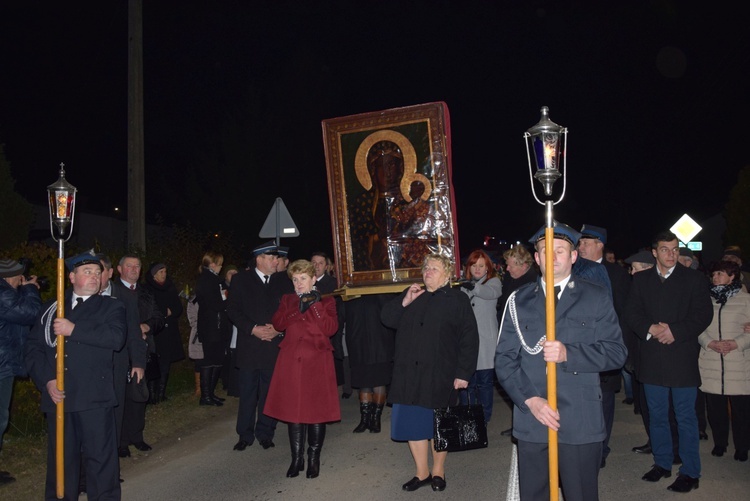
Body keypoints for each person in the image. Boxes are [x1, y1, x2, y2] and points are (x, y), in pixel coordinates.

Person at [495, 222, 626, 501]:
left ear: (574, 257)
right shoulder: (518, 301)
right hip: (533, 418)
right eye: (546, 251)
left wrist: (570, 354)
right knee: (535, 495)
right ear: (537, 258)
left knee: (581, 494)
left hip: (579, 419)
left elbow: (616, 352)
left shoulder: (595, 296)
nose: (553, 258)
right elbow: (505, 360)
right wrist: (530, 400)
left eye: (561, 251)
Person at [25, 251, 127, 500]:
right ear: (71, 276)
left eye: (97, 272)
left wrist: (74, 329)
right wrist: (47, 380)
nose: (95, 276)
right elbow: (33, 348)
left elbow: (116, 339)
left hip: (94, 398)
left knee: (101, 464)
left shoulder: (111, 306)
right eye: (87, 272)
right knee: (61, 466)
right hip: (59, 398)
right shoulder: (51, 307)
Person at [381, 253, 479, 492]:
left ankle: (438, 470)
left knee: (440, 425)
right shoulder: (414, 296)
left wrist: (464, 372)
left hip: (440, 373)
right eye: (426, 267)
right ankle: (421, 472)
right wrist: (404, 300)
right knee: (414, 424)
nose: (428, 272)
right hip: (409, 375)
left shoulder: (458, 300)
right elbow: (386, 318)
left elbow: (470, 339)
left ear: (447, 274)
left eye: (434, 268)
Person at [625, 230, 713, 493]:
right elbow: (632, 312)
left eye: (675, 249)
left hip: (682, 358)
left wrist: (674, 331)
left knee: (686, 418)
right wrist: (652, 328)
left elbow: (702, 315)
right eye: (665, 249)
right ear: (655, 252)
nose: (671, 254)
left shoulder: (694, 279)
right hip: (652, 358)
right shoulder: (641, 280)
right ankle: (662, 464)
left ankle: (690, 472)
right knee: (657, 416)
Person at [264, 259, 340, 479]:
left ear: (313, 279)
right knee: (293, 411)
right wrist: (299, 308)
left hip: (317, 361)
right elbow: (278, 323)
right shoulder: (288, 299)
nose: (298, 284)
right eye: (295, 280)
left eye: (303, 279)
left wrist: (314, 305)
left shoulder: (326, 300)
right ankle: (296, 459)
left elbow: (330, 329)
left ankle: (313, 459)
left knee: (317, 412)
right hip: (291, 361)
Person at [226, 242, 292, 451]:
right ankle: (244, 435)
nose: (276, 261)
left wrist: (279, 330)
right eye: (272, 258)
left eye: (277, 258)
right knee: (247, 393)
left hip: (273, 347)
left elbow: (291, 311)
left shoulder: (284, 281)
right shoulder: (240, 280)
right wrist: (252, 328)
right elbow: (233, 310)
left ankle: (265, 432)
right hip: (249, 347)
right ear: (259, 259)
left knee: (269, 393)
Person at [578, 224, 631, 468]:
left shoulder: (616, 274)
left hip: (604, 350)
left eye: (585, 242)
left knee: (604, 403)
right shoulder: (575, 270)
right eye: (579, 243)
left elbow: (621, 314)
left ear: (600, 244)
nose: (581, 246)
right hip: (580, 351)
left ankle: (601, 449)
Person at [113, 254, 164, 458]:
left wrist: (147, 326)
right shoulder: (112, 292)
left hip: (143, 351)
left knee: (139, 395)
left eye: (137, 266)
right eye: (129, 266)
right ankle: (121, 441)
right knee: (122, 397)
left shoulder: (145, 292)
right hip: (120, 352)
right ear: (119, 269)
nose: (134, 270)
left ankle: (137, 436)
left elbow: (159, 317)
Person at [698, 260, 750, 462]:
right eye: (714, 274)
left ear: (732, 276)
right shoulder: (706, 299)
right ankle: (720, 443)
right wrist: (709, 343)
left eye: (721, 273)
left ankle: (742, 446)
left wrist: (737, 343)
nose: (716, 277)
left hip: (738, 362)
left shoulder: (746, 300)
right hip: (711, 361)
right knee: (715, 409)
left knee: (741, 410)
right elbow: (698, 327)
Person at [0, 258, 41, 485]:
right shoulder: (3, 294)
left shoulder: (6, 292)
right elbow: (30, 313)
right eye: (20, 277)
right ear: (10, 277)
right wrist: (30, 290)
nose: (22, 280)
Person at [458, 249, 502, 424]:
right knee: (466, 384)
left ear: (487, 268)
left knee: (484, 385)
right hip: (466, 345)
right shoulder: (462, 285)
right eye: (474, 265)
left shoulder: (494, 282)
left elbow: (490, 294)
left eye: (481, 265)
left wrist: (473, 287)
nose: (477, 269)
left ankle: (483, 421)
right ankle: (467, 420)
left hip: (486, 345)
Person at [345, 293, 396, 434]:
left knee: (378, 381)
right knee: (363, 382)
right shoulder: (351, 291)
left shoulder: (381, 291)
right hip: (358, 341)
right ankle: (364, 419)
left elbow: (390, 312)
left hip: (379, 342)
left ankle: (375, 419)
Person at [143, 263, 185, 403]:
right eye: (161, 272)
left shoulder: (170, 287)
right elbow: (148, 308)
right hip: (156, 331)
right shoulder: (148, 289)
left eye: (165, 271)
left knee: (166, 361)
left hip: (169, 330)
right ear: (154, 274)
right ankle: (151, 394)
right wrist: (161, 313)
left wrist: (172, 311)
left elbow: (178, 307)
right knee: (154, 361)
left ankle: (161, 393)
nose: (164, 274)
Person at [194, 251, 231, 407]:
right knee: (209, 361)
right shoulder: (207, 280)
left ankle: (210, 393)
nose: (221, 267)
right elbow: (214, 305)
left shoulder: (214, 280)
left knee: (217, 360)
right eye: (220, 264)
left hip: (216, 327)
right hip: (210, 327)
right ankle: (206, 396)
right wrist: (230, 301)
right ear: (213, 264)